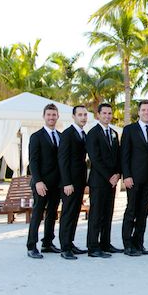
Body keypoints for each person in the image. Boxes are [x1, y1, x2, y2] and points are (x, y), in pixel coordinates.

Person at [121, 100, 148, 256]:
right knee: (131, 211)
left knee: (143, 212)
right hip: (133, 178)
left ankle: (139, 243)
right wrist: (126, 175)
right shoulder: (129, 130)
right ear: (139, 112)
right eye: (144, 110)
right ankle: (127, 244)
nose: (147, 112)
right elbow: (124, 155)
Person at [86, 103, 122, 258]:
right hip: (99, 181)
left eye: (109, 113)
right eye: (104, 113)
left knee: (108, 213)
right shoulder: (93, 133)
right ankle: (93, 247)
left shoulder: (114, 133)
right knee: (96, 214)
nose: (107, 116)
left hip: (112, 181)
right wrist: (109, 176)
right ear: (98, 115)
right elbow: (95, 158)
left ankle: (105, 243)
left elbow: (118, 156)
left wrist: (118, 174)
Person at [26, 104, 62, 259]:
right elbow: (33, 161)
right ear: (44, 116)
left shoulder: (61, 136)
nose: (51, 117)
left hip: (56, 183)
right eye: (49, 115)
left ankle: (47, 243)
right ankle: (31, 246)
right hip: (41, 183)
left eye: (54, 115)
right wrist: (38, 181)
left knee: (52, 214)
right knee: (37, 214)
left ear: (57, 116)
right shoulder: (36, 136)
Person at [58, 105, 89, 260]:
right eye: (80, 115)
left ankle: (70, 242)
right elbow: (62, 160)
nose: (83, 117)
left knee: (75, 212)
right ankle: (64, 247)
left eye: (85, 115)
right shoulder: (67, 134)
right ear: (73, 116)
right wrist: (66, 182)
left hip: (80, 181)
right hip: (69, 183)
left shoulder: (83, 134)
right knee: (67, 213)